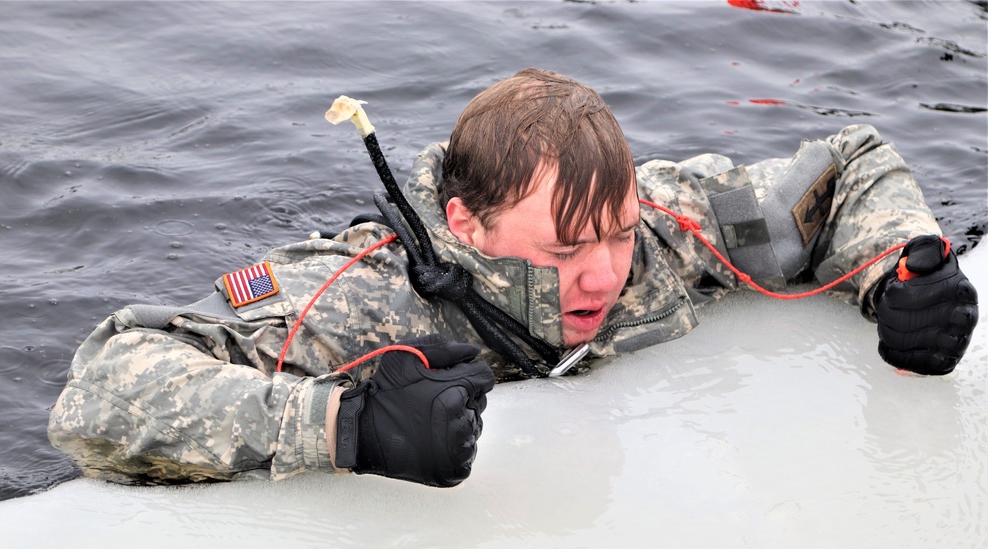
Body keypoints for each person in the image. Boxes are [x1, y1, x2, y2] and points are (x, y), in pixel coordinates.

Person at [48, 68, 979, 489]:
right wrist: (346, 425)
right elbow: (102, 381)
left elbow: (846, 162)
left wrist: (898, 268)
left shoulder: (665, 225)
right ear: (468, 223)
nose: (604, 274)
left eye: (611, 235)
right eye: (564, 250)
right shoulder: (367, 297)